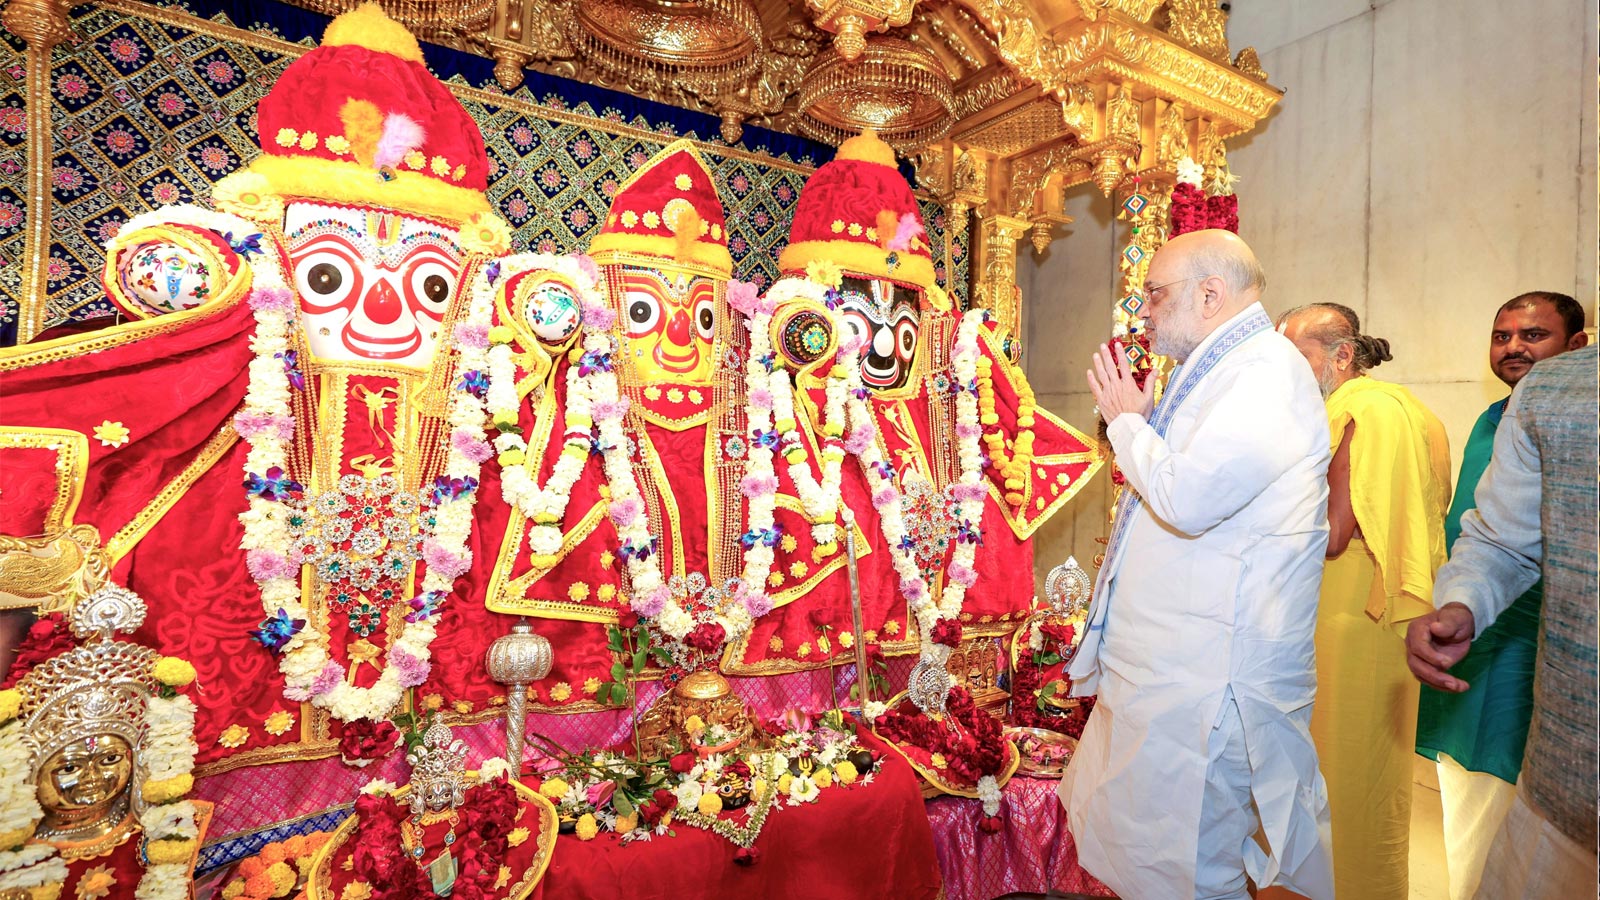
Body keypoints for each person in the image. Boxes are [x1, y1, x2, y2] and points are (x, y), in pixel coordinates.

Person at [1061, 229, 1335, 900]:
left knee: (1189, 869)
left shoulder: (1266, 373)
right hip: (1171, 671)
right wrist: (1145, 422)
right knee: (1140, 857)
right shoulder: (1220, 369)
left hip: (1209, 682)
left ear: (1210, 294)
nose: (1144, 311)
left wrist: (1126, 424)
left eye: (1155, 294)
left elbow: (1187, 499)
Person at [1413, 291, 1588, 900]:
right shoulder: (1494, 418)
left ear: (1577, 347)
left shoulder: (1577, 414)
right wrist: (1459, 604)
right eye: (1502, 335)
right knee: (1468, 804)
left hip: (1546, 647)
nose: (1513, 347)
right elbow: (1494, 539)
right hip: (1476, 632)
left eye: (1533, 335)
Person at [1278, 302, 1451, 900]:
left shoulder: (1361, 409)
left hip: (1346, 613)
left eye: (1294, 357)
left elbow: (1331, 535)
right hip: (1386, 615)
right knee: (1371, 771)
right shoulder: (1415, 411)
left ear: (1342, 356)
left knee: (1334, 767)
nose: (1283, 372)